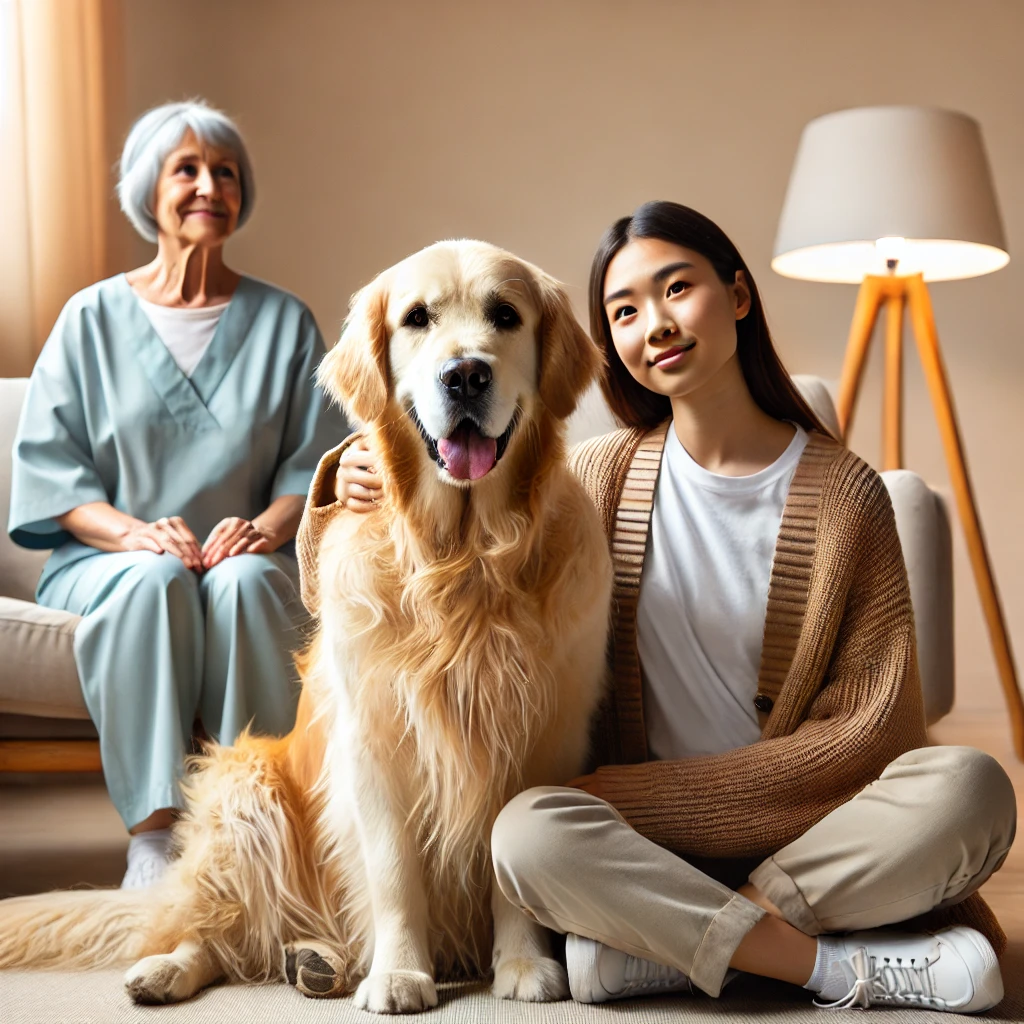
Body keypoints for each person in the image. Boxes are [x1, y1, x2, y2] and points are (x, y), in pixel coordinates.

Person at [311, 202, 1015, 1013]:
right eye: (624, 311)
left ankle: (678, 951)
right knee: (527, 834)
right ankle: (833, 967)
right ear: (608, 345)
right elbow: (425, 576)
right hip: (641, 850)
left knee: (972, 787)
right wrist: (340, 487)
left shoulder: (847, 496)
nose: (656, 323)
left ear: (740, 296)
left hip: (804, 839)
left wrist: (671, 798)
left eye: (677, 288)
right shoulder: (593, 479)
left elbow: (877, 731)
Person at [8, 100, 348, 889]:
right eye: (186, 169)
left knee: (244, 584)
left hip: (248, 555)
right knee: (156, 579)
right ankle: (155, 839)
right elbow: (55, 477)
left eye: (225, 172)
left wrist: (263, 529)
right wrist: (131, 534)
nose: (209, 185)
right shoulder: (89, 319)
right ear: (146, 191)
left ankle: (251, 825)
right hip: (108, 561)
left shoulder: (285, 322)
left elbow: (314, 466)